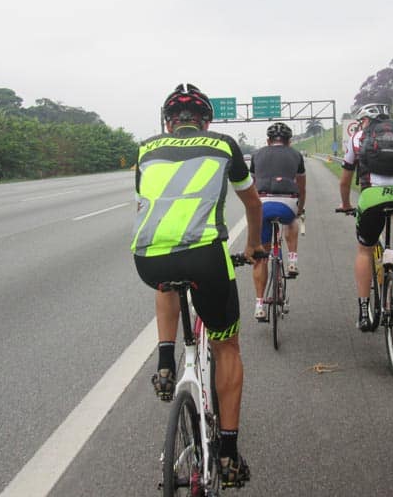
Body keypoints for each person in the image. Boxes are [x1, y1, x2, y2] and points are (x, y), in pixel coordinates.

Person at [131, 83, 262, 487]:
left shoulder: (146, 150)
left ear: (168, 123)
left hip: (148, 258)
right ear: (206, 121)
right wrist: (253, 246)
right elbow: (252, 203)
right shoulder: (223, 144)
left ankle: (165, 362)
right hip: (206, 256)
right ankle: (228, 454)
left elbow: (146, 202)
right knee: (227, 347)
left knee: (167, 284)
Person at [338, 103, 393, 331]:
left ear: (364, 120)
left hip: (372, 196)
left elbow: (345, 181)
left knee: (365, 250)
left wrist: (345, 204)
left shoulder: (357, 137)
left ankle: (364, 312)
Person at [249, 122, 306, 320]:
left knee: (261, 257)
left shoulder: (256, 155)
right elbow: (302, 187)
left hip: (262, 205)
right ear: (289, 142)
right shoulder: (296, 155)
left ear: (268, 141)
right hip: (287, 203)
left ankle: (259, 305)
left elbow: (251, 186)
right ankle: (292, 259)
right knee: (292, 220)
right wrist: (300, 209)